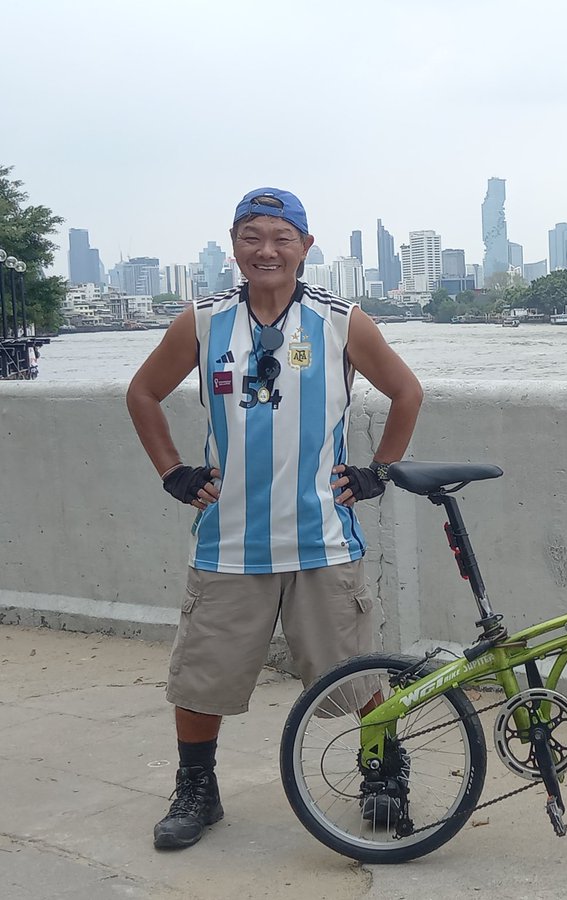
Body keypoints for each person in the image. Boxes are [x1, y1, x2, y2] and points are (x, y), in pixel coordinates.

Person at [126, 188, 423, 850]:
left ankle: (382, 775)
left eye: (281, 238)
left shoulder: (342, 321)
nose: (266, 251)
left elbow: (408, 392)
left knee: (359, 674)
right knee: (202, 678)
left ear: (305, 248)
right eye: (252, 237)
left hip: (322, 538)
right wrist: (173, 471)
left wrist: (378, 471)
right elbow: (142, 392)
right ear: (233, 245)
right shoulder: (202, 322)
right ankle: (197, 791)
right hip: (229, 543)